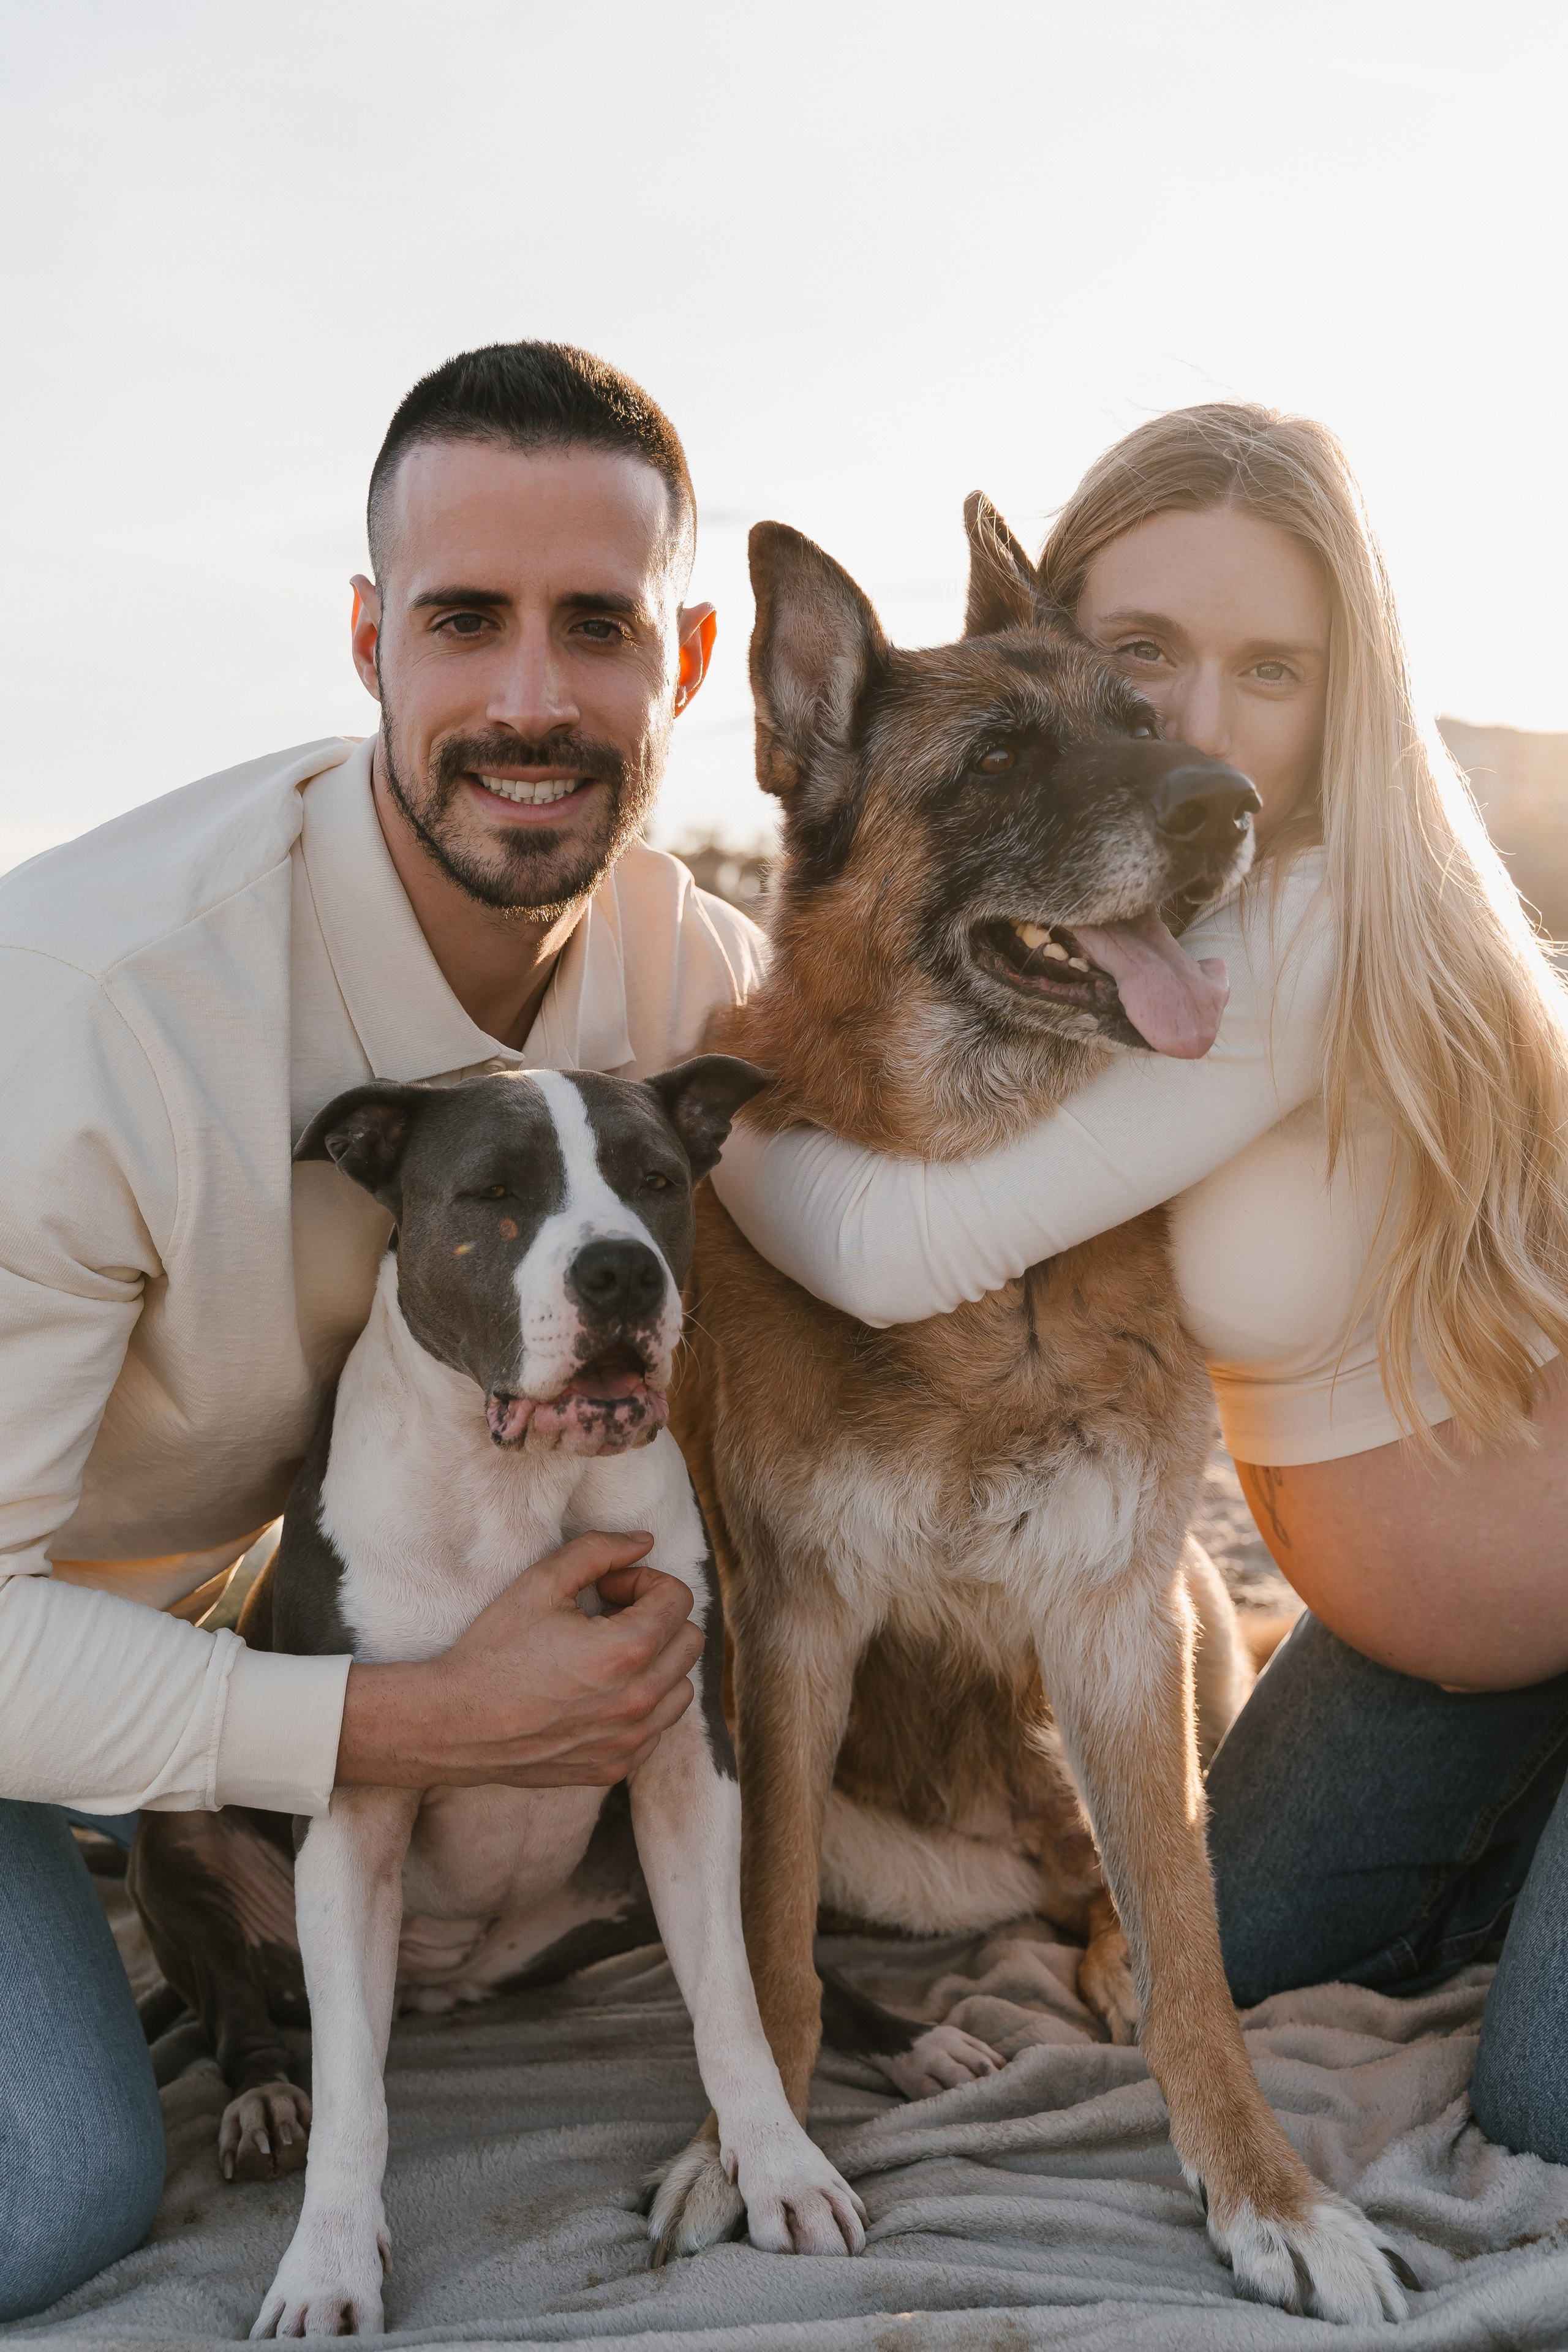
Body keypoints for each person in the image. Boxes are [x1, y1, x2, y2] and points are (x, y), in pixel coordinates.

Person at [712, 403, 1568, 2168]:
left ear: (1353, 693)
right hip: (1420, 1670)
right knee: (1225, 1937)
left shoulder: (1308, 934)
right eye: (1140, 659)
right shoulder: (1132, 959)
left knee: (1544, 2097)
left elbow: (897, 1247)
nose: (1198, 732)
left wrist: (701, 1115)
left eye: (1273, 668)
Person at [0, 341, 763, 2320]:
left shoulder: (677, 959)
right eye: (462, 621)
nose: (530, 698)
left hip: (204, 1670)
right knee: (38, 2191)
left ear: (680, 667)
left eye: (594, 626)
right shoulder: (88, 1012)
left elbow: (900, 1194)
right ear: (367, 641)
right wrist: (411, 1725)